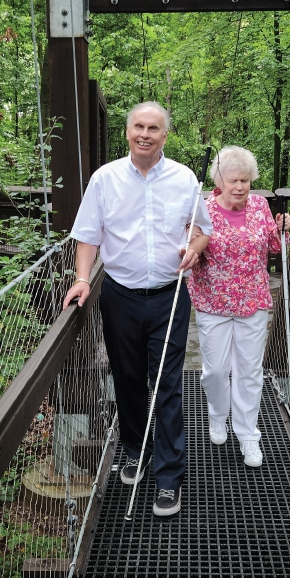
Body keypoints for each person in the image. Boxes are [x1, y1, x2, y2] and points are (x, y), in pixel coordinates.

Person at [62, 101, 212, 517]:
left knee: (166, 385)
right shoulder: (104, 179)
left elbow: (201, 231)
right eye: (138, 127)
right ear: (127, 132)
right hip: (120, 295)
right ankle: (135, 449)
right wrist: (81, 279)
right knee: (127, 379)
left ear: (165, 135)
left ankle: (169, 477)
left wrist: (194, 250)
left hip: (170, 293)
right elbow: (88, 236)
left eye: (154, 128)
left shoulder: (185, 178)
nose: (145, 134)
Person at [187, 146, 290, 468]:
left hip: (253, 299)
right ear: (220, 180)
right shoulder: (204, 210)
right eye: (233, 180)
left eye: (245, 180)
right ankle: (218, 415)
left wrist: (283, 228)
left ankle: (248, 434)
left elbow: (274, 246)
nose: (240, 186)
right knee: (215, 370)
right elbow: (191, 249)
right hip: (212, 299)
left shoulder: (260, 206)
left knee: (249, 371)